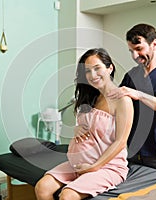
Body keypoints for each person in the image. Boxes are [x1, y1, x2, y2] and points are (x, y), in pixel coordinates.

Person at [35, 48, 134, 200]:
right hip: (79, 163)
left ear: (110, 68)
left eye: (97, 68)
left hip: (107, 166)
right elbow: (93, 127)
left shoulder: (122, 100)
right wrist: (77, 129)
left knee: (67, 196)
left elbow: (120, 142)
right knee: (42, 188)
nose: (92, 75)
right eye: (87, 71)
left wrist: (94, 167)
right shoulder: (92, 97)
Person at [108, 23, 156, 175]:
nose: (135, 56)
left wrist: (139, 94)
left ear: (154, 44)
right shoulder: (132, 75)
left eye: (139, 49)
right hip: (133, 151)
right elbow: (115, 105)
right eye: (131, 51)